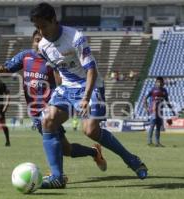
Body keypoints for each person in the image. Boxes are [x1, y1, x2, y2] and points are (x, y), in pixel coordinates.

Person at [30, 2, 148, 189]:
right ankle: (57, 177)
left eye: (43, 25)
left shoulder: (75, 37)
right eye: (37, 27)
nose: (41, 31)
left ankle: (131, 159)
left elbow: (91, 69)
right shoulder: (43, 46)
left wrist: (85, 97)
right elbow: (57, 70)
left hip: (89, 86)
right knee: (47, 120)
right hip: (67, 88)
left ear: (54, 20)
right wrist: (56, 95)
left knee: (90, 130)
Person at [0, 30, 107, 172]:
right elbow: (7, 68)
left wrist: (54, 71)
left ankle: (58, 176)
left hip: (50, 109)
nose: (39, 43)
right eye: (36, 40)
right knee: (66, 149)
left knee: (55, 144)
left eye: (42, 40)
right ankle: (93, 152)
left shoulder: (54, 59)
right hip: (34, 112)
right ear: (32, 41)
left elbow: (61, 84)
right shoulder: (25, 56)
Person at [144, 76, 175, 147]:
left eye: (161, 82)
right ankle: (149, 141)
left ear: (163, 83)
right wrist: (146, 108)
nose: (160, 84)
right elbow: (145, 99)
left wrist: (171, 110)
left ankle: (157, 142)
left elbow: (167, 101)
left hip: (160, 111)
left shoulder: (164, 91)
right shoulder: (152, 90)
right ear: (156, 82)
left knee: (158, 127)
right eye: (158, 82)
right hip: (153, 110)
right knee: (152, 125)